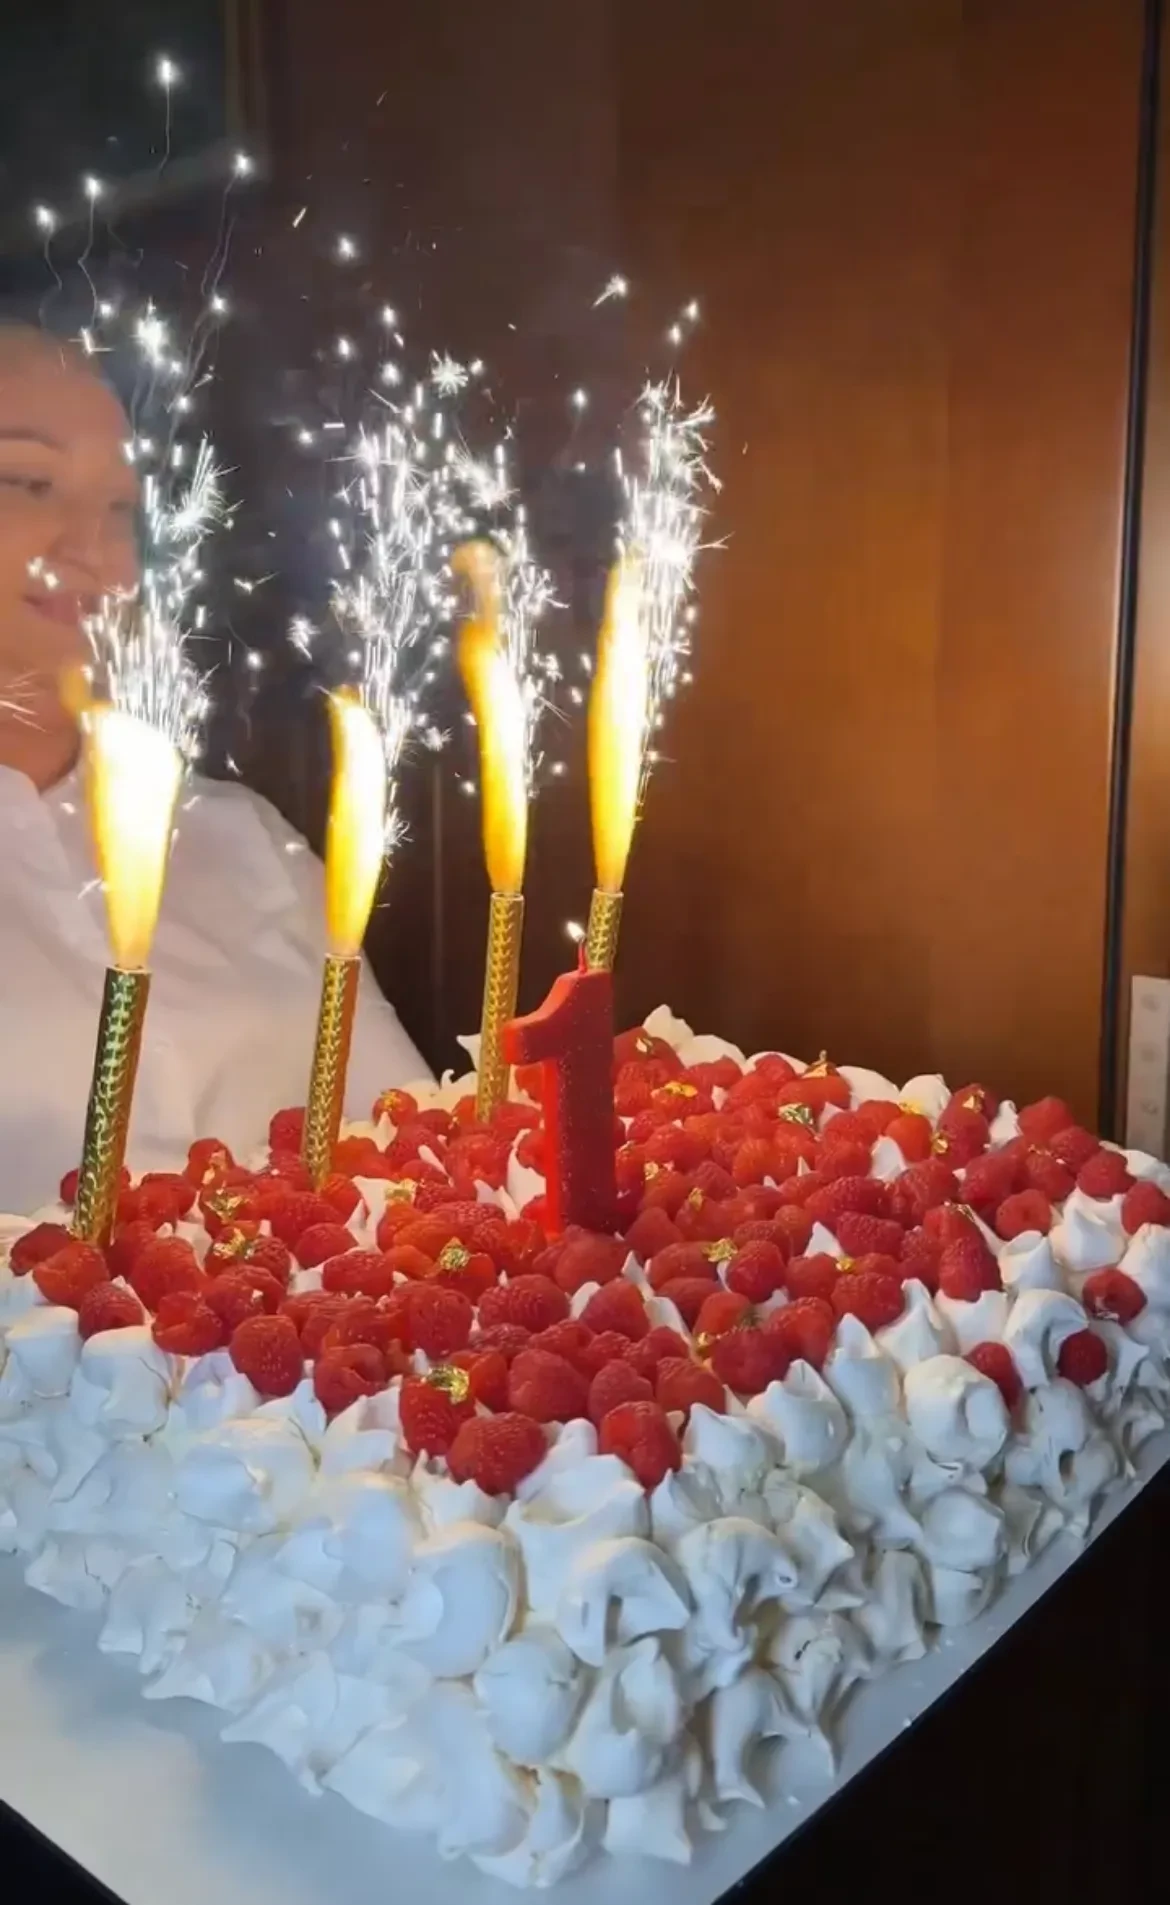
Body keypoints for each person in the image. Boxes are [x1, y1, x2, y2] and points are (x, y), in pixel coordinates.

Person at [0, 320, 428, 1212]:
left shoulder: (240, 837)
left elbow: (410, 1144)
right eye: (29, 483)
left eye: (121, 507)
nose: (94, 548)